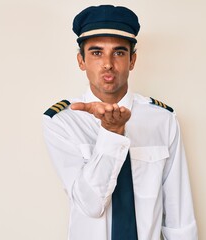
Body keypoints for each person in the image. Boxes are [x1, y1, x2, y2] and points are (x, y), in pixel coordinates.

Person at [42, 5, 198, 240]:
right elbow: (91, 205)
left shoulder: (162, 119)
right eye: (96, 52)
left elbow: (179, 213)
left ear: (132, 60)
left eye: (118, 52)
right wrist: (112, 133)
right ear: (81, 61)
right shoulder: (62, 121)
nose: (108, 63)